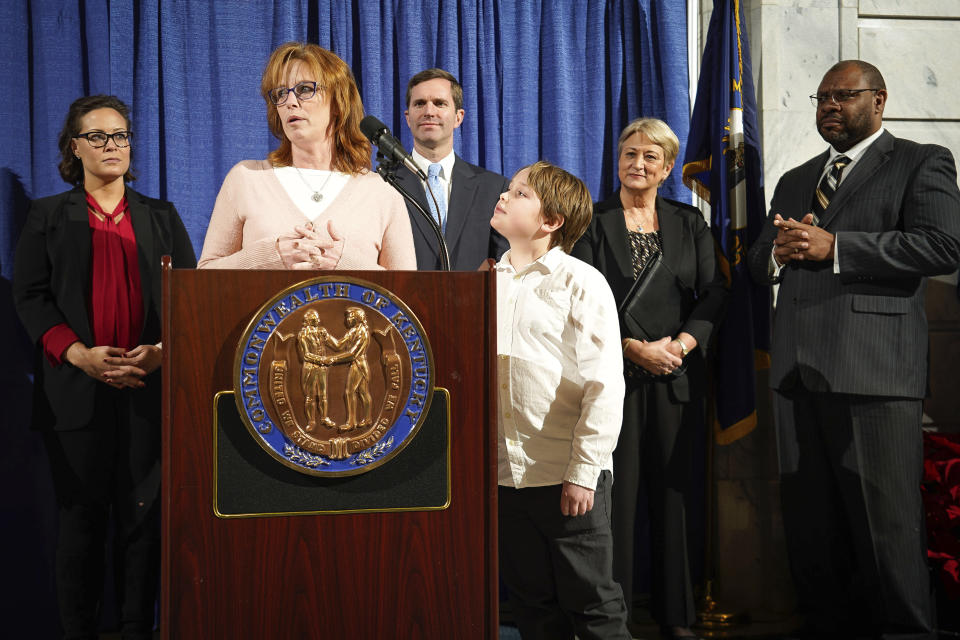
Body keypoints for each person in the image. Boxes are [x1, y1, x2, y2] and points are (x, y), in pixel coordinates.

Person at [746, 60, 960, 639]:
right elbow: (758, 258)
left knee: (886, 532)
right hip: (797, 372)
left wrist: (836, 245)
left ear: (880, 100)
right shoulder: (797, 179)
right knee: (812, 534)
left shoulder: (920, 161)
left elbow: (942, 246)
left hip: (874, 374)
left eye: (844, 96)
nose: (829, 106)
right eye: (821, 98)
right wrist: (779, 254)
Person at [12, 95, 196, 639]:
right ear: (75, 147)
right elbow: (30, 297)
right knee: (81, 525)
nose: (111, 145)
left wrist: (163, 352)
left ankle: (139, 630)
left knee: (143, 528)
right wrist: (79, 355)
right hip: (75, 394)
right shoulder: (47, 215)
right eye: (97, 136)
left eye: (119, 136)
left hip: (148, 392)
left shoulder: (160, 215)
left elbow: (188, 297)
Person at [572, 118, 726, 640]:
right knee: (617, 501)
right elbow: (578, 301)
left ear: (667, 168)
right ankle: (613, 619)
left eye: (650, 157)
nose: (638, 164)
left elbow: (713, 295)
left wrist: (679, 346)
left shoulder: (690, 224)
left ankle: (675, 616)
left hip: (677, 378)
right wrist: (632, 348)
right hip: (613, 380)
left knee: (674, 500)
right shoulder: (591, 221)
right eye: (629, 153)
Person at [492, 160, 630, 640]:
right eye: (508, 189)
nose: (505, 196)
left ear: (551, 221)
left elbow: (603, 383)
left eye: (520, 193)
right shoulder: (487, 281)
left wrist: (583, 471)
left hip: (567, 476)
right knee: (532, 609)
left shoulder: (580, 281)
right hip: (506, 477)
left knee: (594, 608)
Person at [198, 42, 416, 270]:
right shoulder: (246, 178)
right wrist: (270, 256)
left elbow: (406, 295)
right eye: (281, 93)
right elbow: (204, 278)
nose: (290, 102)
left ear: (338, 103)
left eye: (304, 89)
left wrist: (346, 264)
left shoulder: (382, 194)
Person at [392, 68, 509, 270]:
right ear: (408, 118)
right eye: (419, 104)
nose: (429, 111)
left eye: (440, 103)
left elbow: (505, 264)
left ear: (458, 117)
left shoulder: (494, 188)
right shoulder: (384, 185)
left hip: (474, 300)